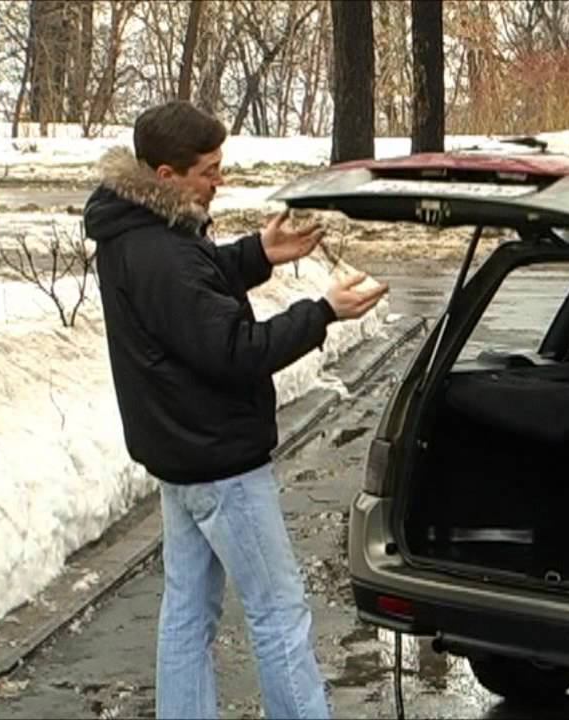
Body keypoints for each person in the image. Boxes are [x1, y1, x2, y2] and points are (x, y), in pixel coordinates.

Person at [82, 100, 387, 719]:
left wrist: (258, 253)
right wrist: (322, 312)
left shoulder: (137, 230)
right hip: (219, 462)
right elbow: (233, 350)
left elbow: (193, 294)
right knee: (279, 613)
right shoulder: (163, 251)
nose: (219, 180)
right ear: (166, 176)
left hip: (182, 455)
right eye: (209, 170)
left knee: (187, 613)